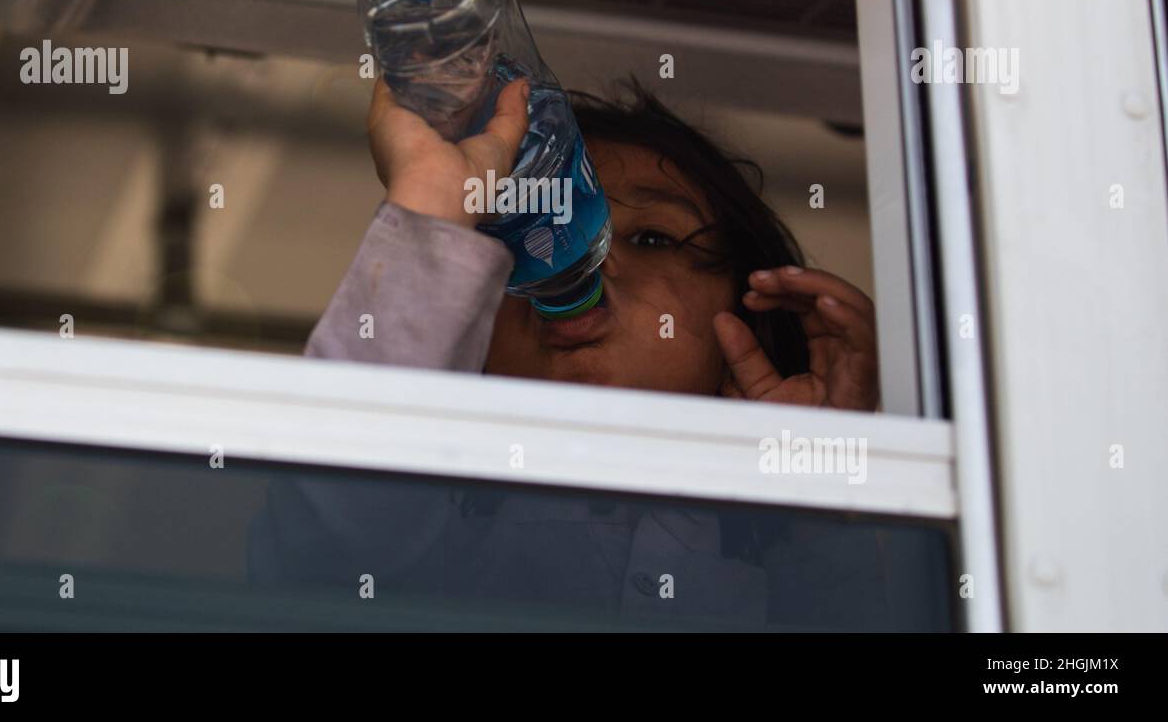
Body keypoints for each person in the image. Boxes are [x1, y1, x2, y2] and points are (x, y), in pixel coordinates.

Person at [248, 75, 935, 630]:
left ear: (751, 316)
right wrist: (432, 205)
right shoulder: (428, 520)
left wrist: (815, 486)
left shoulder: (772, 550)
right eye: (531, 233)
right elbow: (333, 532)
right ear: (471, 328)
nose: (578, 261)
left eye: (653, 238)